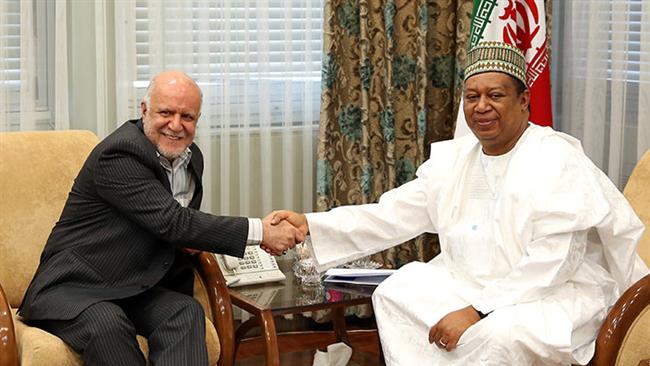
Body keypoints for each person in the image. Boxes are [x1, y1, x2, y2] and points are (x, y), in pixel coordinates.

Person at [269, 41, 649, 365]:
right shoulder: (457, 159)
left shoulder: (556, 159)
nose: (481, 107)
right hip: (474, 282)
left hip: (553, 293)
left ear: (524, 101)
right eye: (472, 96)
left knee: (498, 335)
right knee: (396, 292)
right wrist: (311, 224)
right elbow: (392, 214)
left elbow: (553, 261)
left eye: (495, 96)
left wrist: (478, 309)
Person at [18, 71, 303, 365]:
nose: (176, 125)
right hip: (76, 289)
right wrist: (260, 231)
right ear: (144, 110)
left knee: (184, 312)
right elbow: (173, 222)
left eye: (187, 116)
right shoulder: (120, 154)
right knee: (108, 323)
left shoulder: (192, 159)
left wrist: (186, 242)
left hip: (135, 286)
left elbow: (174, 226)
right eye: (166, 112)